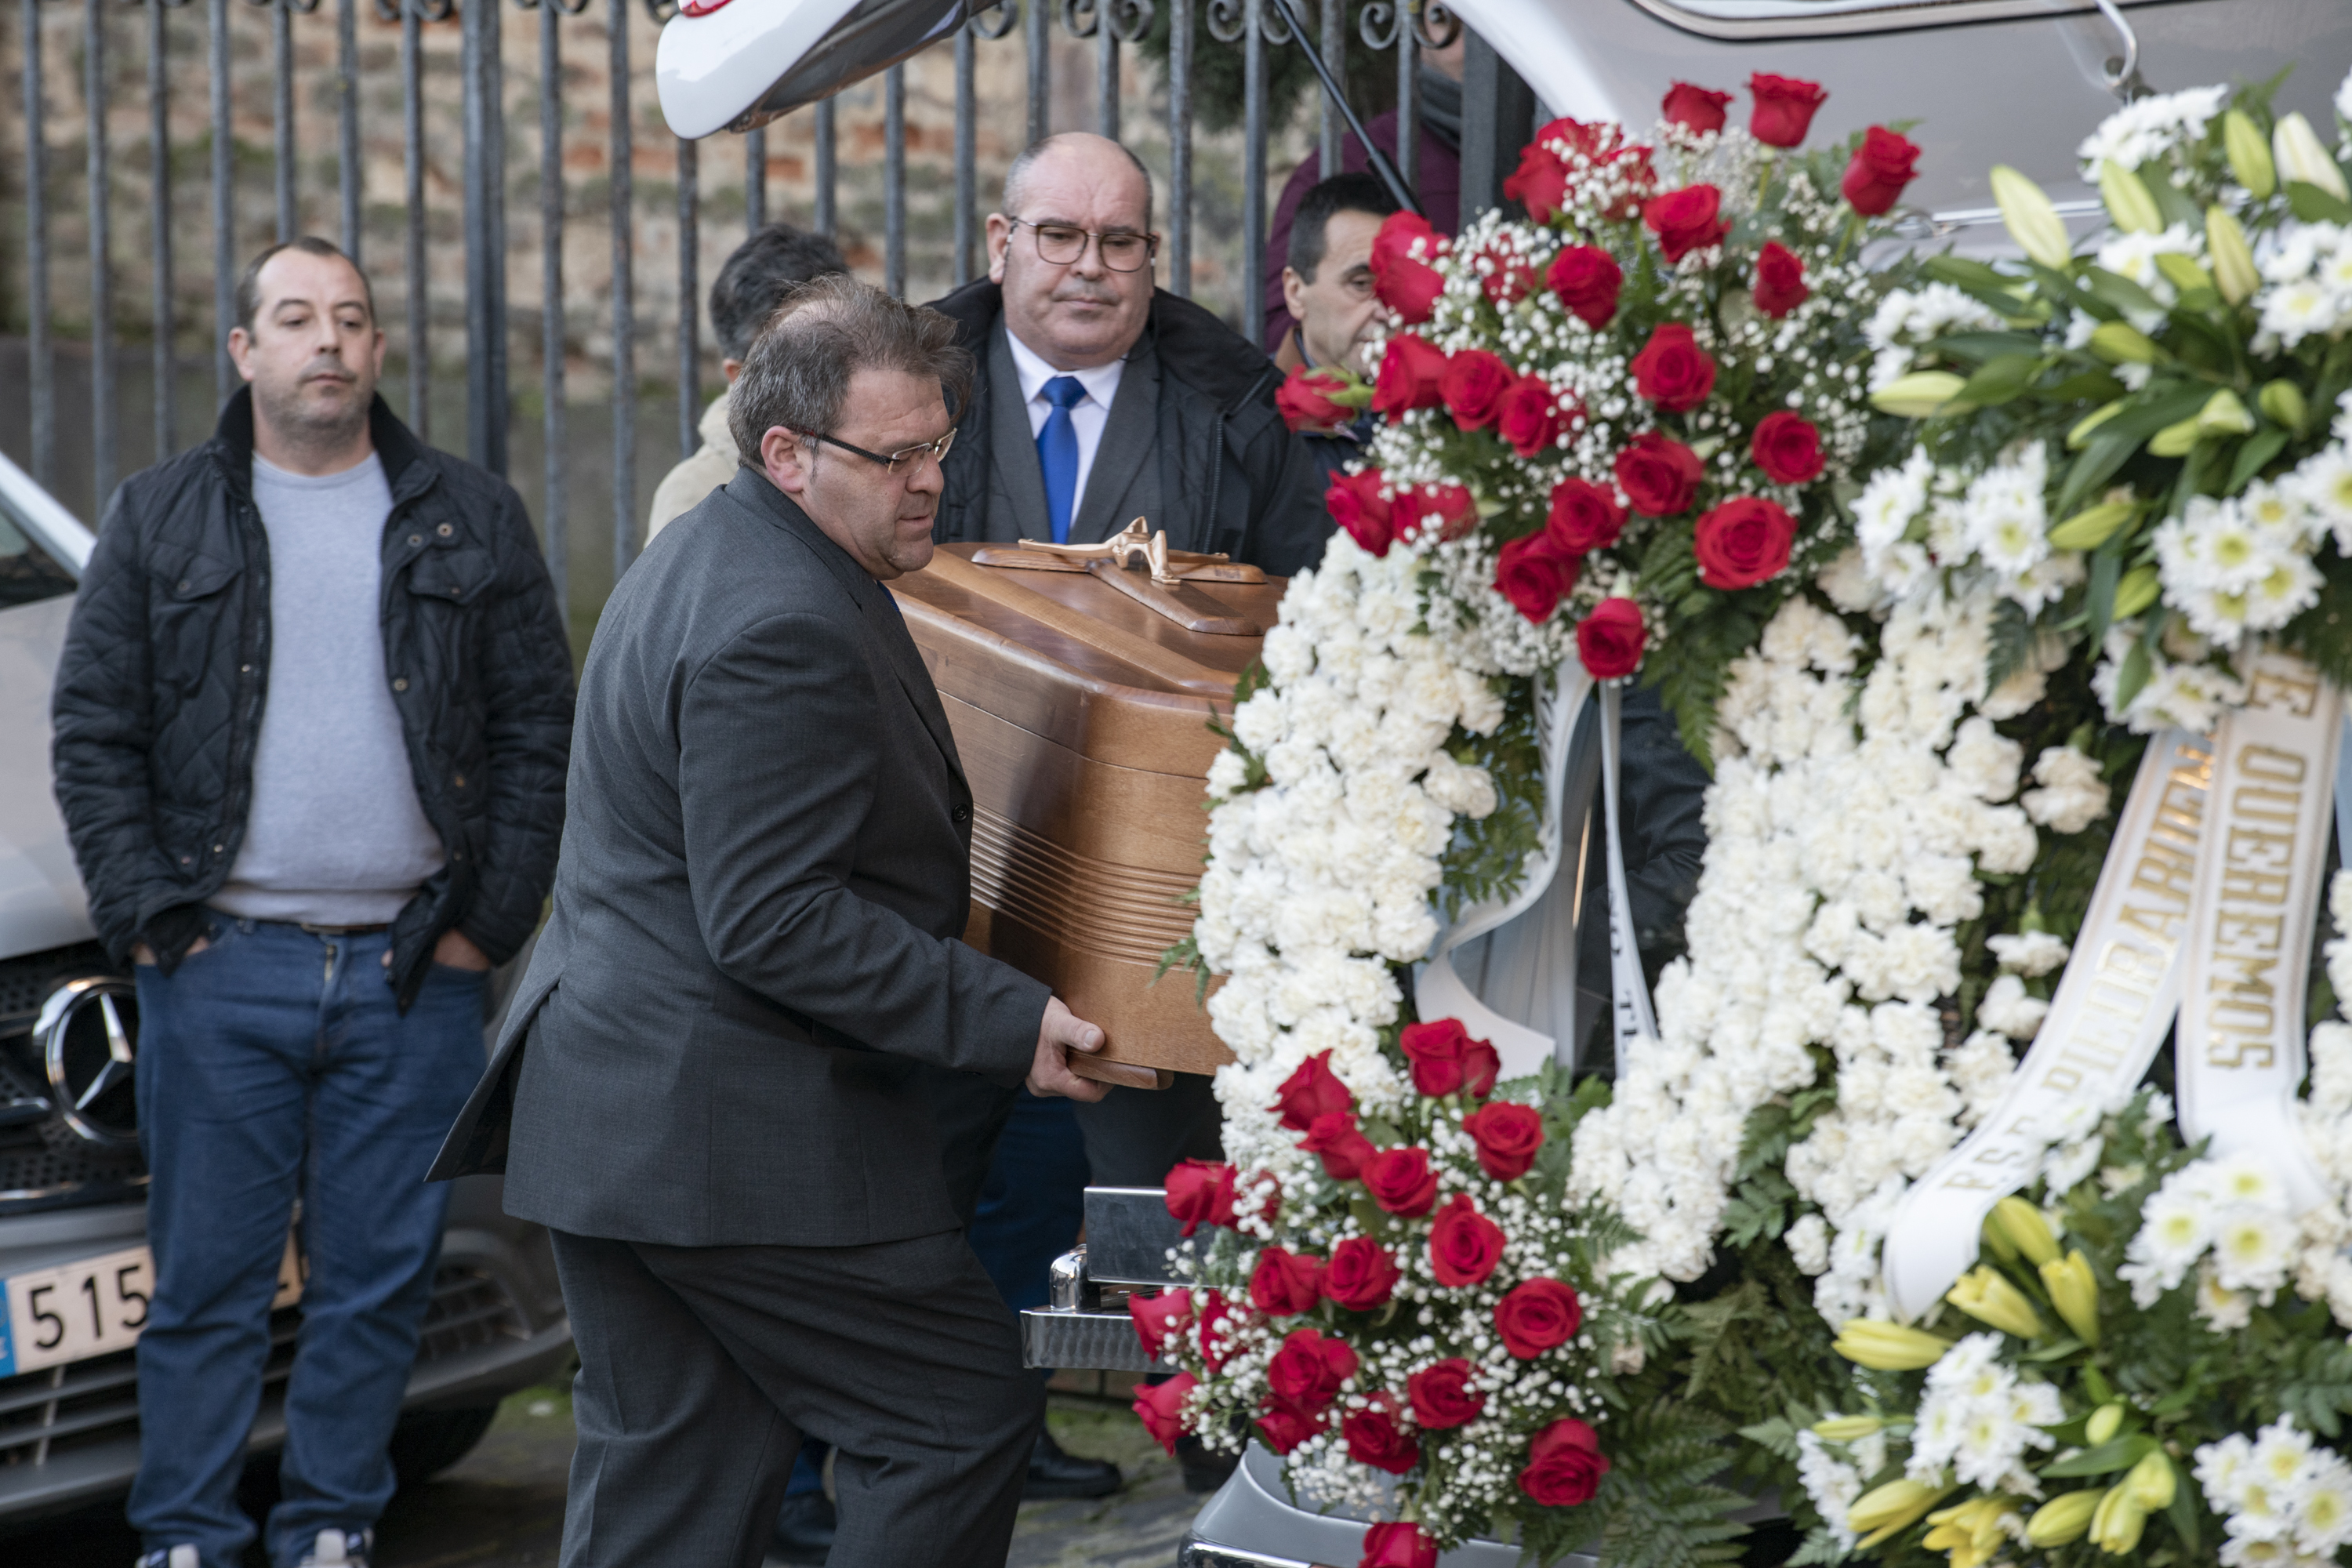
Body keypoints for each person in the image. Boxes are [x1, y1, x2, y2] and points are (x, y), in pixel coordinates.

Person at [428, 271, 1113, 1568]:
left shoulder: (726, 548)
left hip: (628, 1122)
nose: (930, 481)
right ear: (788, 452)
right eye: (895, 455)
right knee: (958, 1414)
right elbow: (775, 919)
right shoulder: (779, 621)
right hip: (726, 1137)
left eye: (940, 447)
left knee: (673, 1493)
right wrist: (1007, 1018)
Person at [49, 236, 575, 1568]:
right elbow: (93, 734)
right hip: (220, 969)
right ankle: (184, 1535)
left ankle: (334, 1522)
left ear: (379, 349)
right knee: (209, 1286)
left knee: (376, 1282)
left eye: (351, 317)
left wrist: (482, 931)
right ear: (246, 351)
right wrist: (154, 924)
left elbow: (537, 733)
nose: (327, 341)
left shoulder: (469, 514)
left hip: (414, 970)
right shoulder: (161, 513)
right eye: (295, 318)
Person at [927, 131, 1331, 575]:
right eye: (1059, 236)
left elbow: (1293, 605)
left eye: (1119, 243)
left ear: (1151, 252)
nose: (1090, 266)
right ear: (1001, 245)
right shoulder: (912, 387)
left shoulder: (1245, 415)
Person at [1261, 29, 1466, 357]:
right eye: (1446, 18)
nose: (1386, 311)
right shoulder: (1341, 165)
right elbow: (1286, 340)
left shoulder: (1566, 145)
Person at [648, 222, 850, 541]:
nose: (826, 374)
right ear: (739, 376)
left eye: (839, 346)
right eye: (796, 361)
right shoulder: (694, 494)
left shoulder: (890, 461)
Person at [1276, 172, 1400, 485]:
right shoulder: (1246, 423)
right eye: (1361, 284)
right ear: (1295, 292)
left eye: (1400, 284)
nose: (1387, 311)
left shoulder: (1446, 411)